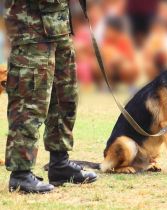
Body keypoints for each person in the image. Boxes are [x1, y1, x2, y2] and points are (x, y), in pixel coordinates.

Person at [4, 0, 97, 193]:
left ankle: (59, 164)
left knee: (64, 96)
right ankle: (21, 174)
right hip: (31, 30)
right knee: (29, 101)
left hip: (59, 26)